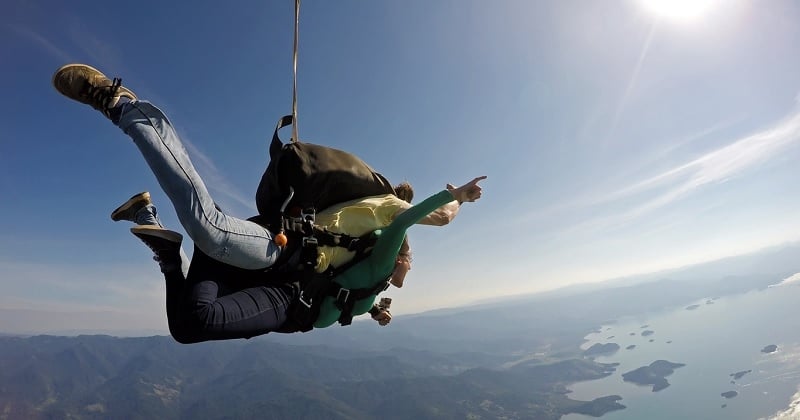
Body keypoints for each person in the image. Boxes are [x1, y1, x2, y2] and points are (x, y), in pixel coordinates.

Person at [52, 63, 461, 272]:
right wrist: (460, 199)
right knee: (208, 229)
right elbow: (438, 217)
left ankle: (146, 214)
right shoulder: (391, 211)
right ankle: (122, 105)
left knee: (207, 274)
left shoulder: (378, 223)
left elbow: (397, 264)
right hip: (289, 248)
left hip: (292, 252)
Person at [115, 173, 483, 343]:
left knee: (185, 326)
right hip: (290, 302)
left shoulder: (372, 279)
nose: (409, 268)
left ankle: (165, 241)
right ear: (398, 256)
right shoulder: (382, 260)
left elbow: (345, 291)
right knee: (194, 320)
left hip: (292, 302)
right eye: (410, 261)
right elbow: (403, 221)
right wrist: (455, 199)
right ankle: (184, 249)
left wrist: (373, 311)